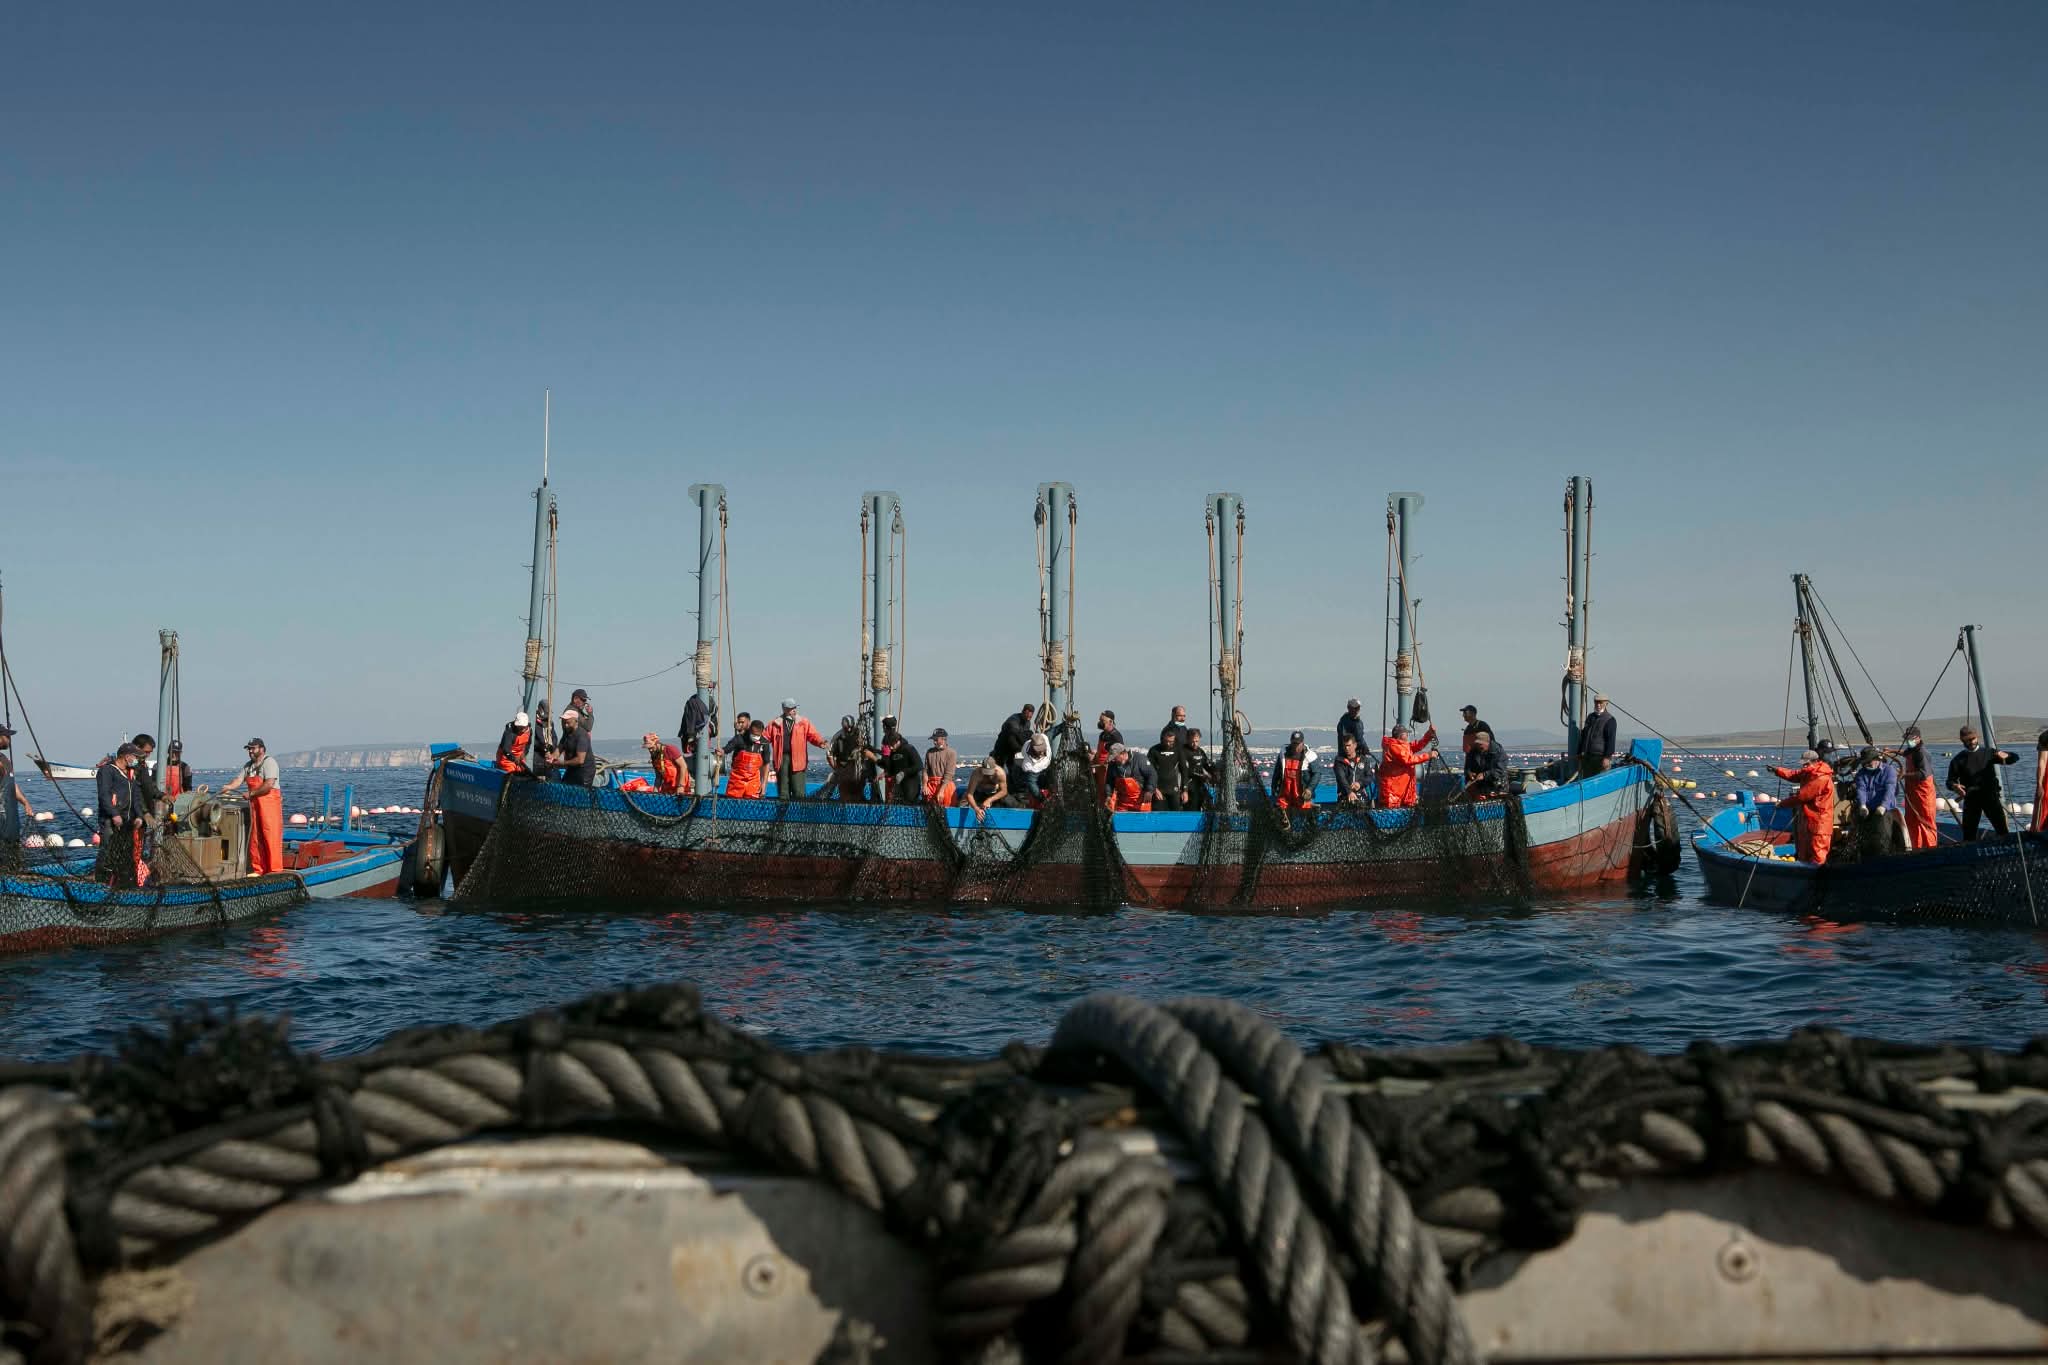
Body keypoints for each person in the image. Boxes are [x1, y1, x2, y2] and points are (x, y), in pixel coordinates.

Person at [223, 737, 284, 875]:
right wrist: (228, 787)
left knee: (271, 835)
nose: (250, 751)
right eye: (249, 749)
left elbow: (268, 785)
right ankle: (259, 869)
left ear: (261, 749)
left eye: (253, 748)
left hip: (269, 805)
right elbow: (238, 780)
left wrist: (251, 793)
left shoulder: (269, 762)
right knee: (256, 837)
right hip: (255, 805)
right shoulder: (248, 766)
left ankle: (274, 870)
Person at [1948, 726, 2020, 841]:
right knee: (1969, 835)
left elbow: (2015, 758)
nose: (1971, 742)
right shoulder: (1958, 760)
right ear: (1962, 740)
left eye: (1973, 739)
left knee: (2002, 830)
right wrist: (1954, 786)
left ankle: (2006, 848)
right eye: (1967, 740)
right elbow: (1949, 781)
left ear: (1977, 737)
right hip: (1971, 799)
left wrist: (2008, 756)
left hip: (1990, 797)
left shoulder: (1989, 753)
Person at [1770, 749, 1838, 865]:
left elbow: (1802, 797)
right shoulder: (1809, 772)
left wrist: (1782, 804)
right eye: (1803, 764)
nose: (1804, 766)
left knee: (1818, 854)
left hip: (1820, 823)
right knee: (1804, 852)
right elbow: (1794, 775)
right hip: (1809, 820)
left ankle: (1818, 874)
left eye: (1806, 764)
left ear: (1815, 761)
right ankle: (1804, 871)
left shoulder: (1821, 778)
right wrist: (1778, 771)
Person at [95, 743, 145, 886]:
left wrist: (139, 816)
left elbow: (136, 797)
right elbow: (104, 795)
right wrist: (114, 814)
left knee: (125, 853)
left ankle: (123, 883)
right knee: (107, 851)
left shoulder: (131, 774)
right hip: (111, 820)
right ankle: (101, 882)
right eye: (135, 757)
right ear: (126, 756)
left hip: (127, 822)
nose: (137, 760)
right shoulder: (107, 771)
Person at [765, 699, 830, 801]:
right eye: (791, 708)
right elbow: (764, 737)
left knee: (798, 790)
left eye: (795, 707)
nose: (794, 710)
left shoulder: (803, 722)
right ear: (784, 709)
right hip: (781, 758)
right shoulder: (775, 724)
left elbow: (813, 735)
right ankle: (783, 806)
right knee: (783, 789)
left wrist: (820, 742)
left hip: (799, 758)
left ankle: (799, 807)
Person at [1850, 746, 1904, 858]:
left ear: (1876, 760)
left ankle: (1883, 858)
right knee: (1862, 838)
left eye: (1868, 762)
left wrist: (1883, 806)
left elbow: (1890, 790)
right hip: (1867, 810)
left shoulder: (1889, 771)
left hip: (1884, 811)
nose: (1866, 765)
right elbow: (1861, 789)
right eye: (1864, 763)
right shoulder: (1861, 773)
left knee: (1882, 838)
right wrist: (1862, 805)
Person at [1896, 726, 1940, 850]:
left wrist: (1904, 775)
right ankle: (1915, 846)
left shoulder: (1921, 753)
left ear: (1918, 738)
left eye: (1911, 738)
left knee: (1925, 820)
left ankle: (1930, 847)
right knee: (1912, 819)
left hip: (1923, 793)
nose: (1908, 741)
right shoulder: (1912, 750)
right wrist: (1891, 751)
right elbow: (1905, 753)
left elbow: (1923, 774)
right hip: (1912, 793)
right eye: (1907, 739)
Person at [1376, 723, 1437, 810]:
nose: (1408, 735)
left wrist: (1429, 734)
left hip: (1403, 789)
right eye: (1406, 733)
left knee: (1406, 810)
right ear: (1401, 735)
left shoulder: (1403, 745)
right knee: (1392, 813)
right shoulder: (1393, 746)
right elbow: (1408, 759)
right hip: (1393, 791)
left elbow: (1418, 745)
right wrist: (1428, 755)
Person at [867, 716, 922, 804]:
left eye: (892, 745)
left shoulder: (909, 749)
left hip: (911, 784)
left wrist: (904, 772)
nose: (891, 748)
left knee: (909, 802)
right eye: (889, 746)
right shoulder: (893, 750)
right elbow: (891, 768)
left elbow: (919, 765)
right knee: (896, 803)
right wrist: (885, 774)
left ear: (898, 741)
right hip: (898, 785)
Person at [0, 724, 31, 872]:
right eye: (7, 736)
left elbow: (11, 783)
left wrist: (25, 802)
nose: (9, 740)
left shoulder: (5, 759)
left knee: (13, 851)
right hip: (1, 815)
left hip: (11, 815)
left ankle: (14, 873)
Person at [1269, 732, 1317, 813]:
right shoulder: (1283, 753)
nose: (1295, 746)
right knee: (1280, 811)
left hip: (1302, 794)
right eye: (1294, 743)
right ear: (1290, 741)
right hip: (1284, 794)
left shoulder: (1310, 755)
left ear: (1302, 743)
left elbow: (1317, 774)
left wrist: (1309, 789)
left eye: (1298, 744)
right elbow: (1277, 772)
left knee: (1305, 811)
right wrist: (1273, 788)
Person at [548, 710, 595, 787]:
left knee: (580, 792)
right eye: (564, 722)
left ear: (576, 721)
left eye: (568, 723)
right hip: (572, 768)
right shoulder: (566, 732)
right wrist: (551, 757)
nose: (565, 725)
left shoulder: (582, 736)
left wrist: (562, 763)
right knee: (564, 787)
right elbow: (559, 749)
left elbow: (580, 760)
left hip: (584, 771)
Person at [828, 715, 870, 801]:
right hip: (843, 766)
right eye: (847, 728)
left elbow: (866, 751)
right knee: (841, 786)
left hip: (857, 766)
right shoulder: (837, 737)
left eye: (851, 728)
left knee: (860, 782)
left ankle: (859, 797)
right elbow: (829, 755)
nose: (849, 730)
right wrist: (836, 769)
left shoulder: (860, 734)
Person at [1104, 742, 1155, 812]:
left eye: (1115, 757)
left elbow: (1152, 774)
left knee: (1142, 818)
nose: (1113, 760)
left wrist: (1149, 791)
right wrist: (1108, 795)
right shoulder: (1112, 764)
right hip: (1123, 803)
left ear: (1123, 754)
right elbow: (1109, 781)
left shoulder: (1140, 759)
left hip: (1141, 801)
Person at [726, 719, 769, 797]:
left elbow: (766, 766)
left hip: (753, 782)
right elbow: (728, 748)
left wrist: (764, 785)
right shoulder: (740, 738)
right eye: (753, 734)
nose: (755, 737)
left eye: (757, 735)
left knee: (753, 801)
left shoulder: (764, 743)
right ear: (749, 730)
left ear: (762, 732)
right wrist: (722, 751)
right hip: (736, 781)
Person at [1148, 726, 1187, 812]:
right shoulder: (1154, 750)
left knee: (1175, 815)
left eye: (1171, 742)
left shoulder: (1178, 750)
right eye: (1166, 741)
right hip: (1159, 789)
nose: (1168, 744)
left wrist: (1185, 790)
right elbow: (1149, 772)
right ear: (1162, 739)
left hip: (1173, 789)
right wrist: (1154, 789)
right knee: (1158, 815)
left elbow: (1184, 770)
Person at [1577, 695, 1618, 777]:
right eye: (1596, 702)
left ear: (1606, 704)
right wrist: (1579, 751)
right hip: (1588, 757)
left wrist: (1607, 758)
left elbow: (1611, 740)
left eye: (1600, 703)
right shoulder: (1590, 717)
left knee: (1600, 779)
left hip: (1600, 757)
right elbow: (1584, 735)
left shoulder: (1610, 720)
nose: (1598, 705)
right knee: (1587, 780)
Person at [1462, 730, 1509, 799]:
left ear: (1487, 742)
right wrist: (1469, 773)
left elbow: (1500, 770)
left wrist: (1484, 775)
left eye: (1480, 744)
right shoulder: (1473, 751)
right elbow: (1467, 768)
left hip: (1498, 785)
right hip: (1481, 787)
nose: (1478, 746)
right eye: (1477, 744)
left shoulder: (1498, 751)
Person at [1012, 732, 1054, 806]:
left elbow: (1051, 733)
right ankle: (1041, 798)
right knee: (1031, 783)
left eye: (1042, 749)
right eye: (1039, 751)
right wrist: (1041, 798)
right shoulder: (1028, 765)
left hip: (1049, 765)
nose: (1042, 752)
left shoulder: (1044, 738)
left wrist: (1060, 728)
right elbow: (1031, 783)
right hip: (1035, 770)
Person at [991, 703, 1037, 771]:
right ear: (1023, 712)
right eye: (1027, 716)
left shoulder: (1027, 722)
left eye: (1030, 717)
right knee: (998, 769)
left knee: (1012, 770)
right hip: (1002, 747)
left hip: (1012, 751)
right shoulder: (1013, 720)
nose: (1028, 718)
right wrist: (1024, 749)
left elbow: (1024, 737)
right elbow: (1016, 735)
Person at [1332, 734, 1372, 808]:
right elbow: (1341, 778)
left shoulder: (1364, 760)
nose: (1346, 748)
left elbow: (1369, 776)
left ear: (1355, 745)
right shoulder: (1339, 761)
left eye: (1349, 745)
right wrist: (1349, 792)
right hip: (1345, 796)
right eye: (1345, 746)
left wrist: (1360, 784)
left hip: (1361, 795)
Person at [923, 728, 959, 807]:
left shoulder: (951, 753)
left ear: (943, 739)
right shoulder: (929, 752)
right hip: (931, 784)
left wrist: (941, 791)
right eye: (934, 740)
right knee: (929, 808)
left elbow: (949, 774)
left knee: (947, 807)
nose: (934, 742)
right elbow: (925, 770)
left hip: (946, 785)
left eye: (936, 740)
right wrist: (925, 785)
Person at [1181, 728, 1215, 811]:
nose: (1194, 744)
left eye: (1196, 741)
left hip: (1200, 785)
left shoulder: (1200, 751)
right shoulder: (1182, 751)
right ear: (1187, 740)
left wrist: (1214, 773)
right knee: (1191, 807)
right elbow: (1184, 770)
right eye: (1192, 741)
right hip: (1188, 785)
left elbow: (1206, 765)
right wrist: (1201, 775)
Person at [2036, 730, 2048, 835]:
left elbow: (2042, 762)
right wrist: (2039, 785)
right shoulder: (2045, 737)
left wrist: (2039, 784)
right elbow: (2042, 762)